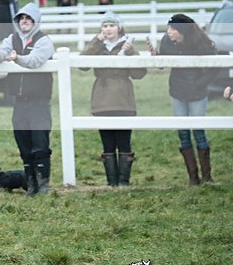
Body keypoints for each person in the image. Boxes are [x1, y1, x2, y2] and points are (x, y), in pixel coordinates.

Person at [0, 3, 55, 196]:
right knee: (23, 142)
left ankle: (43, 186)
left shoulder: (44, 41)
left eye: (28, 18)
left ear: (35, 21)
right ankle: (31, 185)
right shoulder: (12, 38)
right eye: (21, 18)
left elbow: (35, 60)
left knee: (40, 143)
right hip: (19, 101)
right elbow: (4, 52)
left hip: (39, 101)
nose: (24, 21)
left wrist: (17, 59)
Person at [147, 14, 219, 185]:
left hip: (197, 93)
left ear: (182, 31)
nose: (169, 32)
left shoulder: (200, 43)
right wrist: (155, 55)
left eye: (173, 29)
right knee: (183, 133)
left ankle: (207, 177)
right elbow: (163, 62)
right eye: (168, 28)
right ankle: (193, 178)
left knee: (199, 132)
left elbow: (215, 65)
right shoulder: (167, 41)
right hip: (177, 91)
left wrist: (200, 83)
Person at [80, 13, 146, 187]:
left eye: (111, 25)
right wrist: (95, 42)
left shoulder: (127, 45)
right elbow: (82, 63)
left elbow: (140, 73)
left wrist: (131, 51)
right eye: (105, 26)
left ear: (119, 28)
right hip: (102, 98)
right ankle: (111, 182)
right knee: (107, 142)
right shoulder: (98, 46)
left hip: (123, 97)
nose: (108, 29)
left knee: (124, 140)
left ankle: (123, 181)